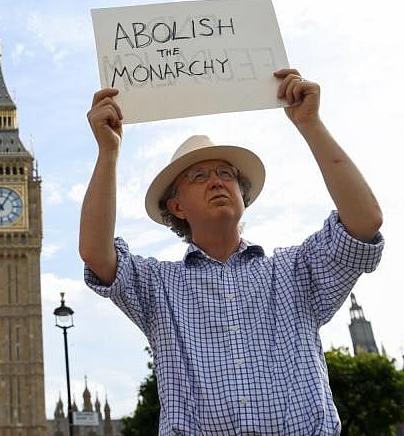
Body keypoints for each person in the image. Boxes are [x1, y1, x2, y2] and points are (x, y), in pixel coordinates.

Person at [79, 69, 384, 435]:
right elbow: (96, 252)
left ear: (243, 195)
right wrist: (108, 151)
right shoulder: (159, 285)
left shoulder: (294, 271)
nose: (217, 180)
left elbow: (365, 222)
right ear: (176, 207)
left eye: (226, 173)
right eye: (198, 176)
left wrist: (311, 124)